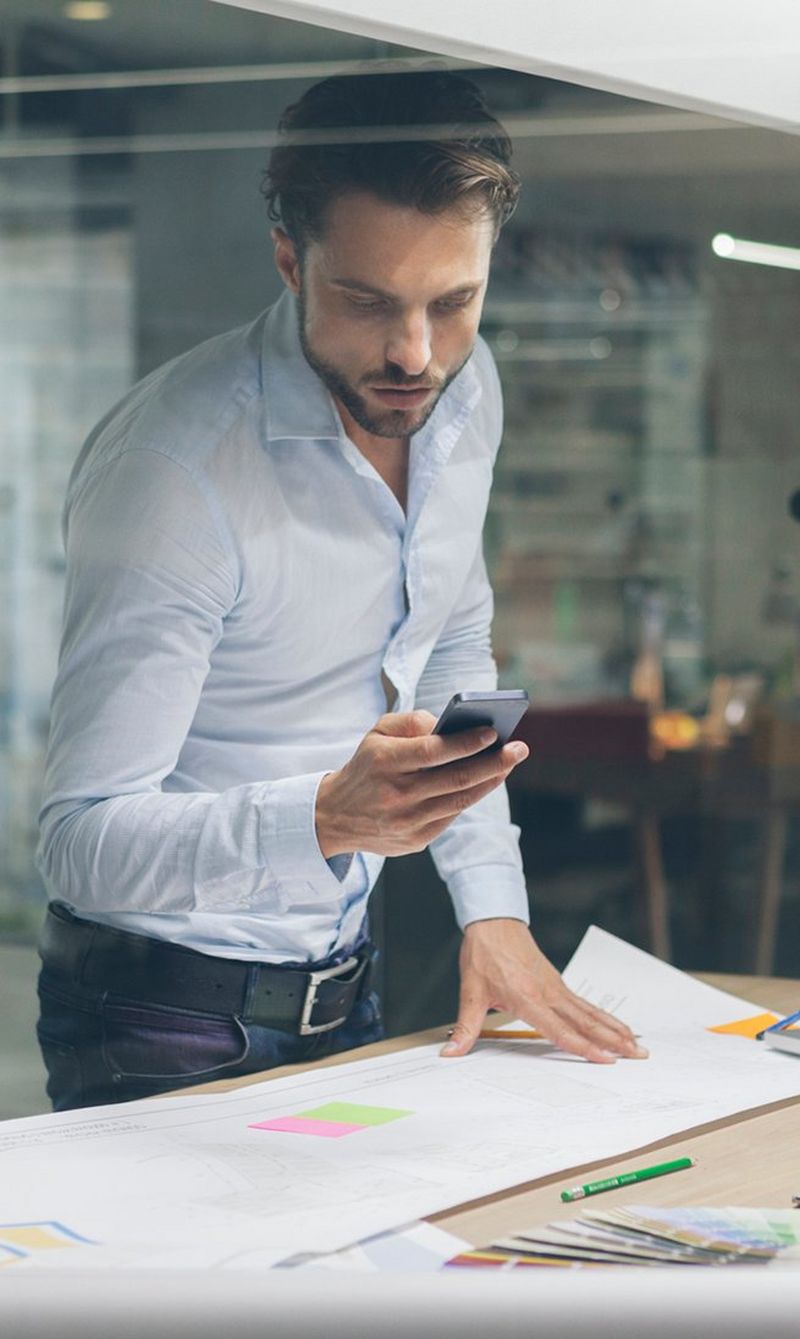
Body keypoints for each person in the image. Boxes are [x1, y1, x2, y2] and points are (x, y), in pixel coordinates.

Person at [36, 69, 645, 1113]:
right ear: (288, 260)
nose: (414, 354)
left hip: (344, 986)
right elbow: (81, 845)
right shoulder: (174, 475)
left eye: (451, 302)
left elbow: (449, 638)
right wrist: (321, 817)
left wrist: (490, 910)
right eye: (366, 301)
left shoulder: (468, 390)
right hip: (156, 1018)